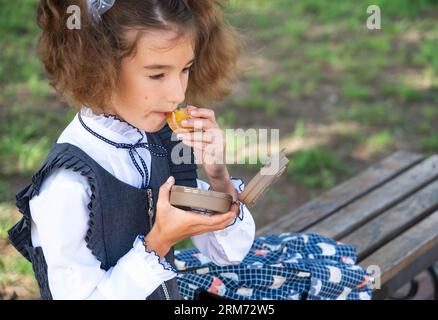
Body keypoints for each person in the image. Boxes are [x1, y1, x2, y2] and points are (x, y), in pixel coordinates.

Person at [9, 0, 373, 300]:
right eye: (156, 75)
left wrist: (217, 177)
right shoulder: (68, 186)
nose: (177, 95)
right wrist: (157, 243)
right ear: (98, 68)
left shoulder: (157, 137)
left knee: (320, 266)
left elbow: (227, 251)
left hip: (172, 288)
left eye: (184, 69)